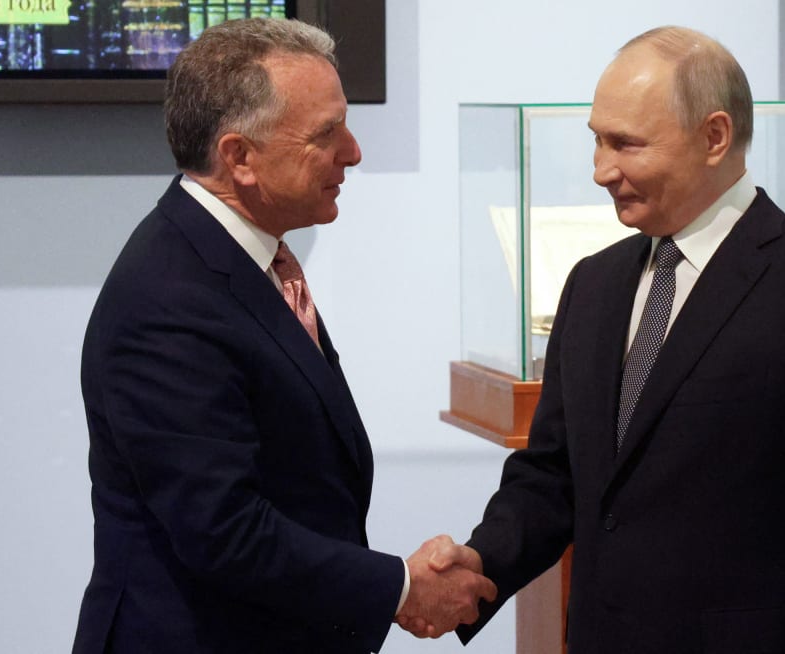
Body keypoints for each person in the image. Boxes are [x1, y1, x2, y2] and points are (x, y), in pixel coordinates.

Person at [432, 26, 785, 652]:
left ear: (714, 136)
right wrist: (477, 567)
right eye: (596, 141)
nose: (601, 169)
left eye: (626, 144)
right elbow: (554, 474)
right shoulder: (594, 284)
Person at [71, 18, 494, 654]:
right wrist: (401, 588)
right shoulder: (169, 300)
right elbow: (225, 531)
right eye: (326, 134)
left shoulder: (243, 260)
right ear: (239, 157)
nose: (353, 152)